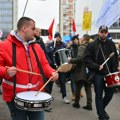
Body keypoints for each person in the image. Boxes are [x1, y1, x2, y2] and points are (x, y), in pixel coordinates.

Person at [0, 17, 58, 120]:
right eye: (33, 28)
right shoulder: (4, 46)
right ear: (24, 28)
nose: (35, 31)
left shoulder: (37, 47)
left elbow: (44, 64)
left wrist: (52, 73)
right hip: (14, 96)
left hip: (35, 94)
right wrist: (6, 72)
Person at [84, 25, 120, 120]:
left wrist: (117, 67)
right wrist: (96, 66)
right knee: (98, 96)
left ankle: (101, 109)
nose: (103, 34)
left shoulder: (111, 43)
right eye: (101, 32)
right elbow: (86, 60)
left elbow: (115, 57)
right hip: (98, 74)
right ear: (99, 32)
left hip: (110, 74)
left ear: (107, 33)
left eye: (105, 32)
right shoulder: (92, 45)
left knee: (110, 94)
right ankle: (101, 116)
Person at [68, 34, 92, 110]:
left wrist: (71, 60)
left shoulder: (82, 47)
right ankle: (89, 104)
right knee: (88, 88)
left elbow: (79, 58)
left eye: (82, 37)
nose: (80, 39)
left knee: (78, 87)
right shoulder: (92, 47)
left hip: (81, 70)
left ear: (84, 39)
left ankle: (76, 103)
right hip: (89, 70)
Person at [46, 32, 70, 104]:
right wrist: (51, 50)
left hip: (61, 66)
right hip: (52, 67)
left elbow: (67, 53)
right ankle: (48, 97)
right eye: (56, 37)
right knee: (50, 82)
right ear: (55, 38)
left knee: (62, 82)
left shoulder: (63, 44)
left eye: (59, 37)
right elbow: (46, 52)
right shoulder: (50, 45)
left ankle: (64, 96)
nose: (58, 38)